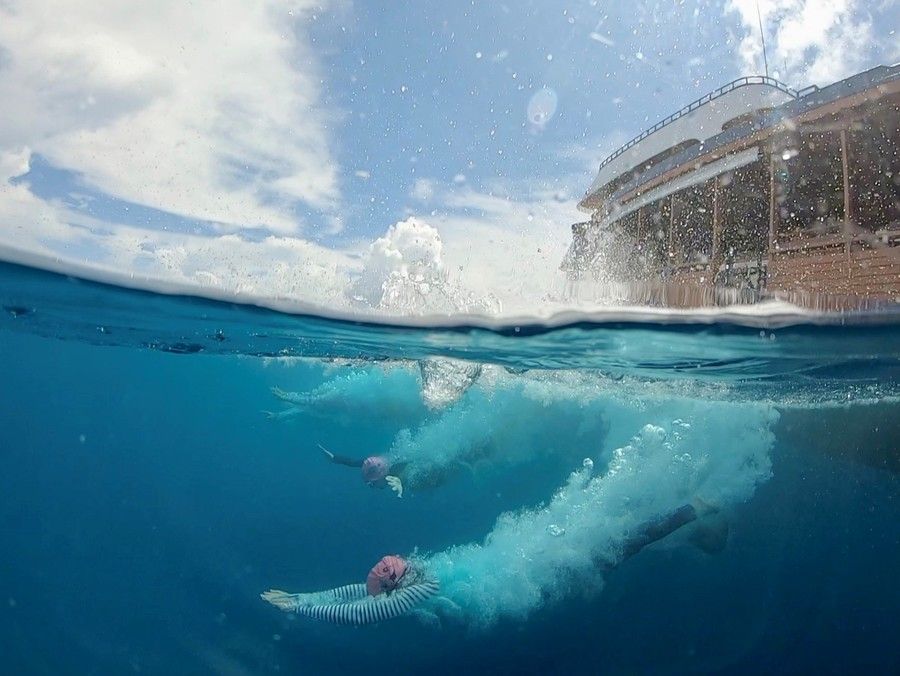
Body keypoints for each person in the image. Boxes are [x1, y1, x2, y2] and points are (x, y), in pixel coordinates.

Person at [261, 499, 724, 627]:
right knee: (615, 546)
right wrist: (301, 604)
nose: (383, 563)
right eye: (385, 570)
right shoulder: (420, 588)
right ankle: (689, 519)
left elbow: (359, 603)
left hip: (538, 562)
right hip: (541, 570)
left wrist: (301, 601)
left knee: (613, 541)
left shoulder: (418, 583)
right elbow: (359, 605)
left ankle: (690, 521)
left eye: (383, 564)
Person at [261, 555, 439, 626]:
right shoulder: (411, 576)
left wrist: (299, 608)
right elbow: (361, 593)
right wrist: (299, 598)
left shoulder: (423, 590)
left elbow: (360, 614)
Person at [317, 444, 407, 497]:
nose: (368, 461)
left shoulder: (371, 467)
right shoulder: (384, 470)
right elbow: (351, 462)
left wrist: (334, 458)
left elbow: (351, 462)